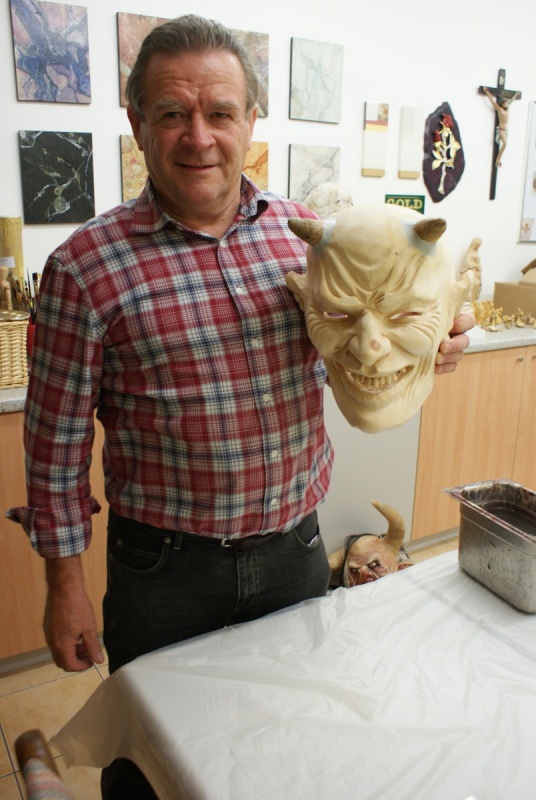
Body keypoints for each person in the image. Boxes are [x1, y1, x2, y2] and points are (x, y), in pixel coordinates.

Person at [7, 15, 474, 799]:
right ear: (137, 124)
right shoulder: (84, 267)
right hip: (164, 575)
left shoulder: (307, 240)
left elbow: (376, 337)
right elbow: (54, 449)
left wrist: (440, 339)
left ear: (251, 119)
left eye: (220, 112)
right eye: (172, 113)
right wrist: (65, 588)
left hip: (296, 552)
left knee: (285, 748)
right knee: (151, 761)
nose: (199, 136)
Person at [482, 86, 521, 168]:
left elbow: (511, 100)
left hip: (506, 130)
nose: (507, 104)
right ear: (502, 104)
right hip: (501, 129)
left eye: (507, 103)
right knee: (505, 143)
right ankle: (498, 159)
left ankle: (499, 159)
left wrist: (515, 94)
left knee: (505, 144)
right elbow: (492, 101)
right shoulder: (500, 110)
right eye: (505, 103)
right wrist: (486, 91)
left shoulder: (507, 110)